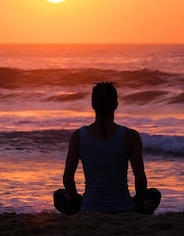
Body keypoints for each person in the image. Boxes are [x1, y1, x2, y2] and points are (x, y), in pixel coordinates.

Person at [54, 82, 161, 215]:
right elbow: (140, 179)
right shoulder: (130, 136)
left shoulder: (78, 136)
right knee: (154, 194)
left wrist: (77, 199)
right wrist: (139, 201)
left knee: (59, 195)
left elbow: (67, 179)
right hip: (124, 208)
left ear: (93, 105)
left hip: (89, 208)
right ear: (116, 105)